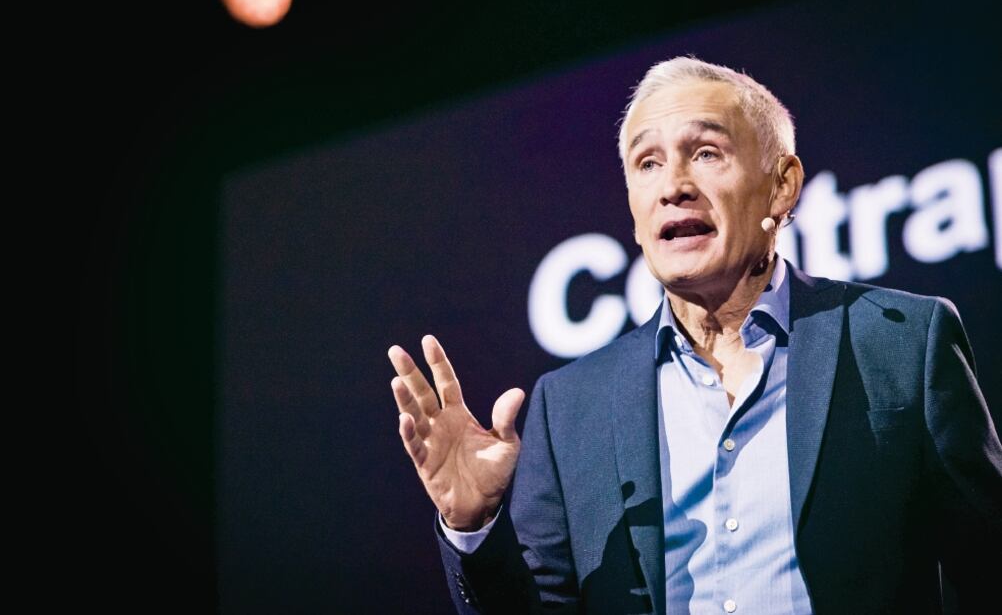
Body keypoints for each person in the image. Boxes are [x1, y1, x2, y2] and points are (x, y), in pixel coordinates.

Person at [388, 57, 1002, 614]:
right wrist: (474, 527)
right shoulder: (569, 406)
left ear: (782, 185)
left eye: (706, 153)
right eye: (647, 163)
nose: (672, 184)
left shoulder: (902, 342)